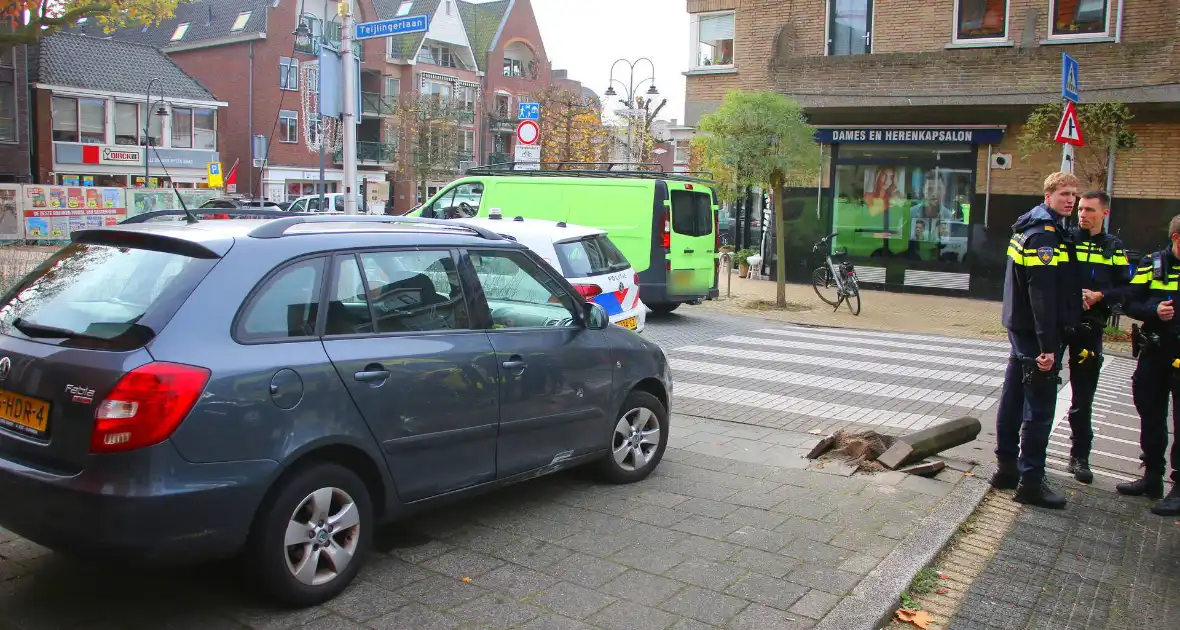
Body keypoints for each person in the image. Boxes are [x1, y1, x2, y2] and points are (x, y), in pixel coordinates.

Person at [992, 172, 1082, 509]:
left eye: (1074, 194)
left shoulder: (1032, 228)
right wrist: (1048, 348)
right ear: (1048, 195)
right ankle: (1031, 481)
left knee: (1013, 400)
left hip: (1022, 332)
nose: (1070, 200)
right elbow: (1040, 296)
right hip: (1036, 335)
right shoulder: (1043, 237)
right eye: (1063, 194)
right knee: (1039, 410)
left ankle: (1006, 470)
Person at [1065, 191, 1132, 483]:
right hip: (1059, 321)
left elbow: (1127, 288)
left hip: (1090, 325)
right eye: (1080, 209)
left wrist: (1100, 296)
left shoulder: (1114, 247)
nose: (1083, 214)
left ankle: (1080, 456)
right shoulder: (1066, 239)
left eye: (1090, 210)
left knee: (1083, 396)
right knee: (1039, 385)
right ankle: (1031, 453)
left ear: (1104, 213)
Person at [1119, 214, 1180, 515]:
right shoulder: (1152, 264)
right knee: (1151, 413)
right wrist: (1153, 310)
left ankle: (1178, 488)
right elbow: (1130, 302)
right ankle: (1152, 477)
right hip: (1155, 352)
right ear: (1177, 238)